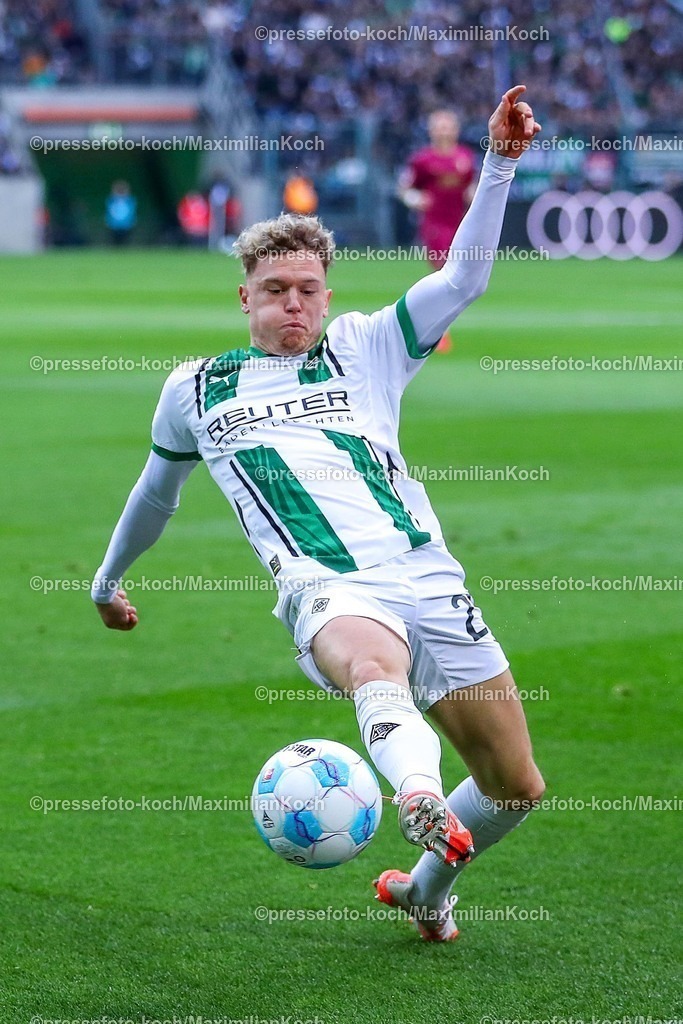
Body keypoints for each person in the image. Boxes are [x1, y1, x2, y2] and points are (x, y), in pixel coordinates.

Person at [91, 86, 544, 942]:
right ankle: (412, 792)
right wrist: (106, 583)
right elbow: (156, 493)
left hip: (428, 577)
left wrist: (499, 162)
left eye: (307, 288)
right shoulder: (195, 388)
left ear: (328, 296)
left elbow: (466, 276)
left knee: (513, 784)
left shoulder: (370, 344)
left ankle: (424, 891)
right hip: (325, 586)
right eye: (274, 289)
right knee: (372, 668)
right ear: (245, 299)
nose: (293, 303)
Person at [399, 109, 477, 352]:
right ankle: (439, 330)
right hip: (435, 225)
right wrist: (415, 199)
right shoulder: (422, 160)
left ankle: (436, 324)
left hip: (460, 224)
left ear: (455, 129)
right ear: (431, 130)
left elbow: (471, 186)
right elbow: (405, 188)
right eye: (439, 126)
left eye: (447, 126)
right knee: (444, 274)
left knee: (460, 277)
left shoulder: (465, 157)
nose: (443, 131)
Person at [105, 180, 137, 245]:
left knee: (125, 241)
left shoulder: (129, 200)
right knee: (115, 241)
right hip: (114, 225)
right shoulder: (112, 200)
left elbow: (131, 211)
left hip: (126, 224)